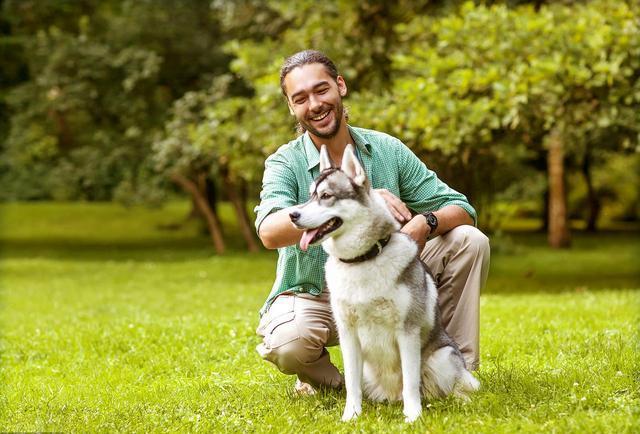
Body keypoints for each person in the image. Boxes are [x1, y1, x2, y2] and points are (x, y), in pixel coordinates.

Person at [254, 49, 490, 394]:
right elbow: (269, 233)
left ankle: (454, 371)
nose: (315, 104)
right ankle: (345, 385)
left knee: (470, 240)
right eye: (300, 98)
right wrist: (354, 201)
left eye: (321, 90)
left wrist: (423, 223)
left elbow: (460, 207)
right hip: (316, 294)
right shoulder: (284, 162)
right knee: (289, 345)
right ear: (292, 107)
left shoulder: (386, 149)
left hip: (387, 283)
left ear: (340, 86)